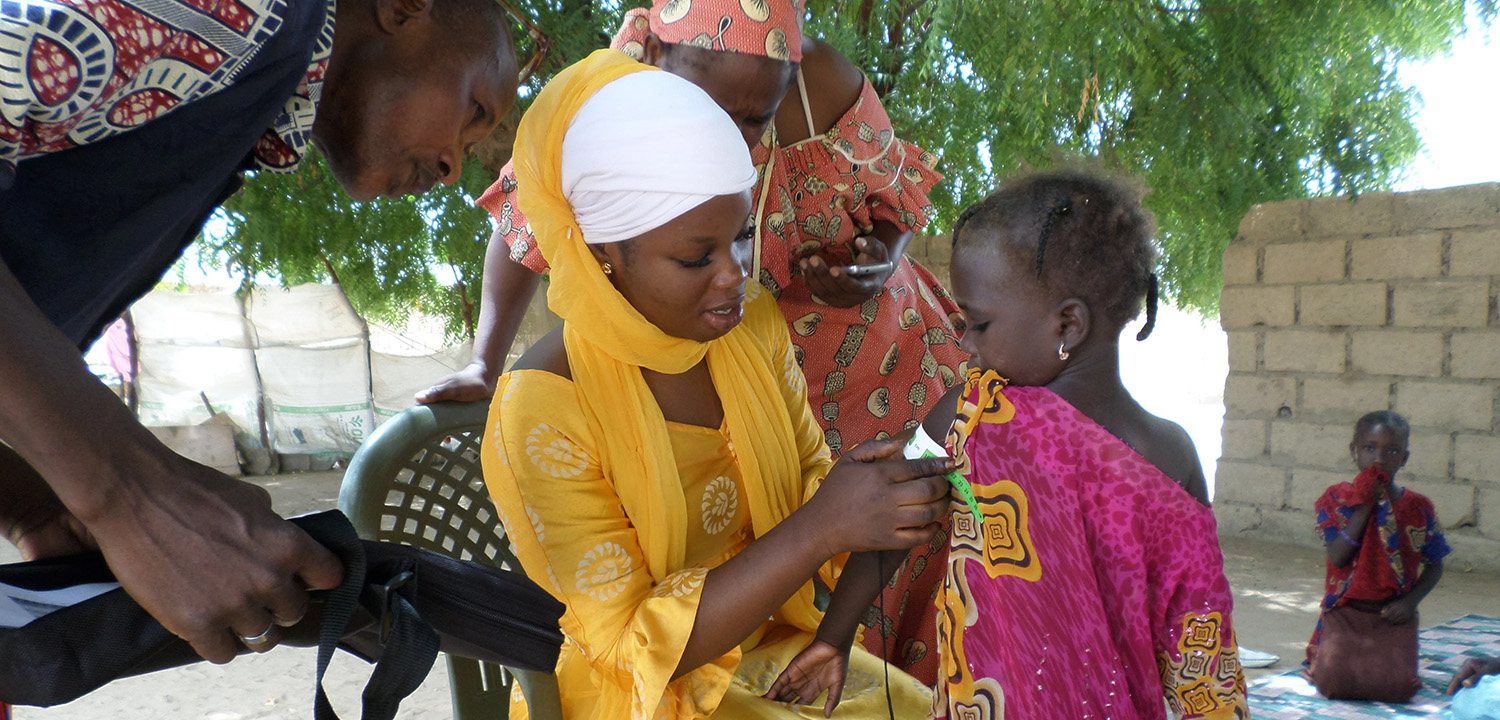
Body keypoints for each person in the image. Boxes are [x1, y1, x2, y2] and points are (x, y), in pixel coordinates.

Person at [420, 0, 962, 684]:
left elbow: (811, 501)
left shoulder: (750, 331)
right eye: (694, 256)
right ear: (601, 249)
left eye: (740, 237)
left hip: (773, 659)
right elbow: (629, 654)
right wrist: (822, 528)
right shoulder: (546, 412)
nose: (740, 276)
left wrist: (869, 500)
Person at [0, 0, 518, 664]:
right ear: (404, 10)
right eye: (473, 110)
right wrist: (129, 491)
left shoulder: (233, 106)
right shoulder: (250, 12)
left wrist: (32, 501)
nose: (453, 167)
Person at [772, 170, 1248, 719]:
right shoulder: (1174, 456)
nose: (963, 339)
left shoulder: (970, 414)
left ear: (1067, 325)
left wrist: (832, 639)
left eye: (979, 323)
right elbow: (1202, 650)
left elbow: (888, 529)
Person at [1303, 410, 1448, 702]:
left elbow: (1435, 565)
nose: (1379, 458)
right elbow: (1339, 556)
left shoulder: (1419, 507)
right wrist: (1366, 503)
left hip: (1393, 613)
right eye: (1369, 448)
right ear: (1354, 451)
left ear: (1404, 459)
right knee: (1333, 683)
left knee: (1400, 688)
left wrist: (1409, 603)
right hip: (1345, 610)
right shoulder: (1334, 499)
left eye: (1391, 450)